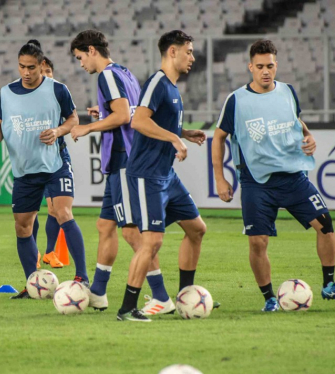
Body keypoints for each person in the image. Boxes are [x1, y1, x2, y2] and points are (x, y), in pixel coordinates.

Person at [211, 39, 335, 312]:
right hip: (256, 182)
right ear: (250, 67)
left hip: (293, 177)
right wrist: (220, 178)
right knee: (257, 241)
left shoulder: (288, 91)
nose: (266, 71)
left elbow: (295, 120)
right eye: (260, 66)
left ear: (277, 66)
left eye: (270, 66)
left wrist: (308, 136)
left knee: (325, 225)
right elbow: (218, 138)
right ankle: (269, 299)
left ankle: (330, 285)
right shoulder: (236, 100)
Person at [69, 30, 174, 313]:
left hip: (125, 159)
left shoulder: (106, 76)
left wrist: (87, 127)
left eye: (80, 58)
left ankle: (161, 295)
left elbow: (122, 115)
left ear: (91, 50)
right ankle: (99, 292)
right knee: (105, 226)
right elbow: (132, 112)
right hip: (119, 161)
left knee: (130, 232)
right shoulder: (124, 71)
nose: (81, 64)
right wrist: (102, 114)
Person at [0, 40, 87, 299]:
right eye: (21, 67)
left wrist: (58, 131)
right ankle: (31, 284)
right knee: (23, 228)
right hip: (24, 172)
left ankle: (82, 277)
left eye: (31, 67)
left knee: (62, 212)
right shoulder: (6, 92)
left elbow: (73, 118)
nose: (26, 72)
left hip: (54, 165)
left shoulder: (57, 89)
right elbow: (0, 125)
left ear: (42, 66)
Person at [116, 30, 207, 322]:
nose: (192, 57)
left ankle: (186, 297)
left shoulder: (172, 88)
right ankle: (127, 309)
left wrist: (183, 133)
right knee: (152, 242)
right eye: (189, 51)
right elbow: (139, 121)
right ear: (172, 52)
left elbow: (158, 122)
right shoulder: (157, 82)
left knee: (196, 229)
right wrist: (174, 140)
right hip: (146, 175)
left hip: (166, 174)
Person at [34, 55, 66, 270]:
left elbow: (70, 119)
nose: (46, 77)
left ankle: (49, 252)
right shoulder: (28, 99)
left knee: (55, 210)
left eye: (49, 73)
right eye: (42, 73)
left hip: (56, 157)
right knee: (31, 211)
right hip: (35, 159)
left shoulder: (59, 94)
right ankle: (36, 252)